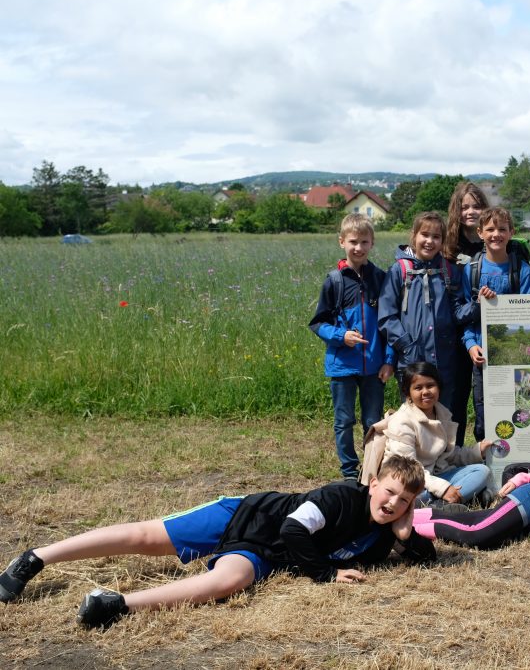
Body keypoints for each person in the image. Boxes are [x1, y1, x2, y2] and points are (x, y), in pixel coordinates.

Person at [0, 457, 432, 628]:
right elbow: (293, 530)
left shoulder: (383, 535)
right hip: (251, 515)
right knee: (145, 536)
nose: (393, 503)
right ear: (372, 482)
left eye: (405, 501)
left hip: (265, 554)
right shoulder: (340, 496)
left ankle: (114, 604)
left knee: (228, 581)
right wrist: (324, 573)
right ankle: (36, 557)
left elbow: (426, 558)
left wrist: (406, 533)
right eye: (388, 492)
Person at [309, 213, 394, 480]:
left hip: (374, 367)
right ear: (341, 242)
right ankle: (348, 471)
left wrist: (389, 360)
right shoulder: (333, 281)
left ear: (372, 243)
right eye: (353, 242)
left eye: (364, 242)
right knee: (344, 421)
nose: (358, 248)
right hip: (342, 366)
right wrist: (340, 336)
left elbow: (390, 323)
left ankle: (371, 469)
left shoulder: (381, 278)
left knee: (373, 421)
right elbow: (318, 323)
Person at [379, 211, 472, 412]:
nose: (430, 241)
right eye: (425, 235)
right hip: (411, 360)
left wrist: (477, 305)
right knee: (413, 419)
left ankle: (445, 446)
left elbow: (457, 313)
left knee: (443, 417)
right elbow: (386, 316)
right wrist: (406, 346)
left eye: (436, 237)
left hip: (444, 360)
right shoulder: (399, 270)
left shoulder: (449, 271)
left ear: (443, 240)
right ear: (414, 236)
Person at [462, 207, 530, 441]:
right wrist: (471, 345)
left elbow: (528, 313)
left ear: (512, 232)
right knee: (484, 411)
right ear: (480, 233)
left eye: (502, 229)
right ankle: (486, 461)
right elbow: (464, 315)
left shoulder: (522, 270)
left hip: (515, 354)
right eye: (490, 229)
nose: (496, 234)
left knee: (520, 407)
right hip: (482, 356)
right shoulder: (471, 271)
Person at [376, 362, 493, 507]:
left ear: (439, 388)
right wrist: (442, 489)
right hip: (407, 480)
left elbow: (449, 455)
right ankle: (454, 501)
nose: (425, 392)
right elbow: (408, 469)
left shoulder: (442, 414)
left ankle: (443, 503)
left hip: (435, 476)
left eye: (430, 385)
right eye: (418, 388)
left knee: (482, 470)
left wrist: (477, 451)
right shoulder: (402, 421)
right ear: (408, 393)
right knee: (411, 497)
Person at [443, 182, 489, 445]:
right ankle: (454, 452)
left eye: (477, 206)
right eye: (465, 207)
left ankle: (488, 455)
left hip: (488, 333)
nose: (471, 212)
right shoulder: (448, 248)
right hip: (457, 332)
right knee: (456, 400)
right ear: (456, 211)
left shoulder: (494, 242)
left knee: (489, 400)